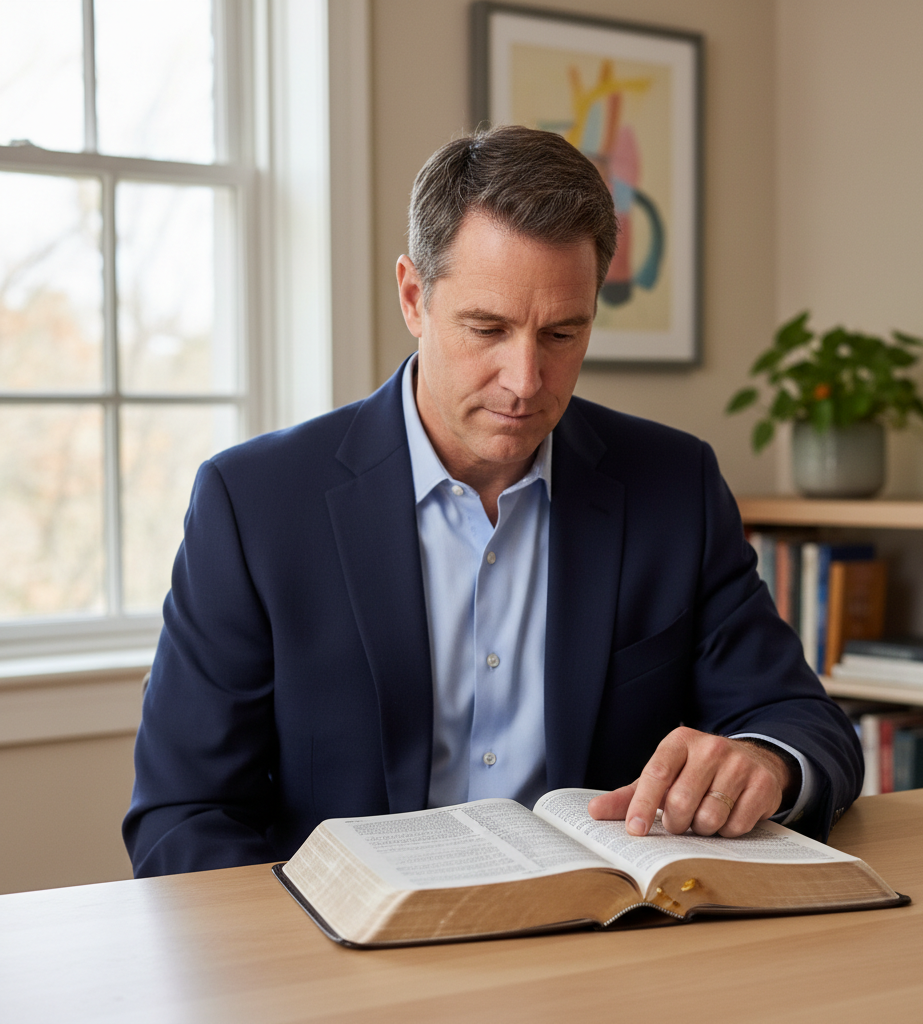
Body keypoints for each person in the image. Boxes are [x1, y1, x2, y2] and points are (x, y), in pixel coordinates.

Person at [124, 126, 862, 877]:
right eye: (488, 328)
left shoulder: (675, 485)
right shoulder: (253, 505)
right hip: (345, 960)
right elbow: (181, 816)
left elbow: (806, 725)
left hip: (606, 950)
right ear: (414, 297)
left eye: (563, 333)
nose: (525, 379)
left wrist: (765, 762)